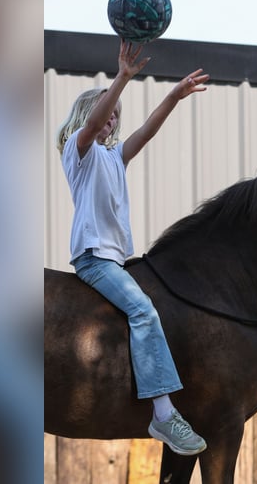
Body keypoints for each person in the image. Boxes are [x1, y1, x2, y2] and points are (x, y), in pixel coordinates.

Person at [56, 39, 209, 456]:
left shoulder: (113, 158)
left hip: (116, 258)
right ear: (89, 117)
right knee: (143, 310)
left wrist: (173, 98)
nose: (111, 122)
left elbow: (145, 132)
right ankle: (162, 415)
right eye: (105, 114)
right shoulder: (79, 151)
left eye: (115, 118)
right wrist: (121, 78)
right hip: (93, 257)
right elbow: (92, 125)